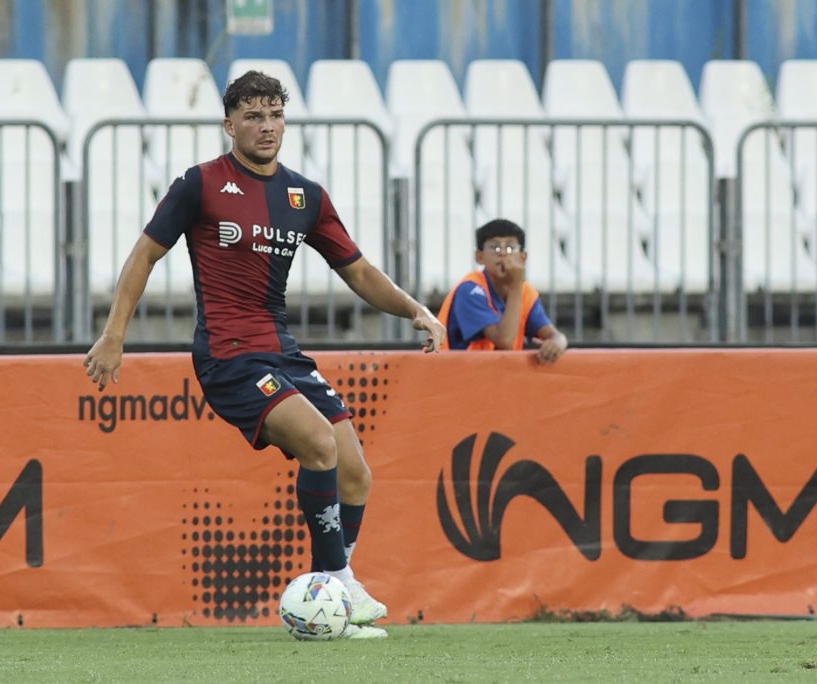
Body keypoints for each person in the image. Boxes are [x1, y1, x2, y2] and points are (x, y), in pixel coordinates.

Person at [83, 70, 445, 640]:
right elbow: (144, 255)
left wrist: (415, 309)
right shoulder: (200, 184)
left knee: (355, 473)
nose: (267, 126)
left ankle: (331, 600)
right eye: (253, 116)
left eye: (275, 115)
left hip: (282, 352)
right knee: (319, 443)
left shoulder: (305, 196)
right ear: (230, 125)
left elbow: (359, 272)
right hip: (228, 356)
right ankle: (337, 586)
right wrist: (114, 335)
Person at [437, 219, 567, 362]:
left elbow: (554, 335)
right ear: (479, 257)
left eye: (510, 247)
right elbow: (505, 341)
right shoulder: (470, 290)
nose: (503, 253)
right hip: (454, 371)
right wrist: (515, 285)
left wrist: (558, 342)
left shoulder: (526, 292)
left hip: (495, 372)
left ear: (523, 257)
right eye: (495, 247)